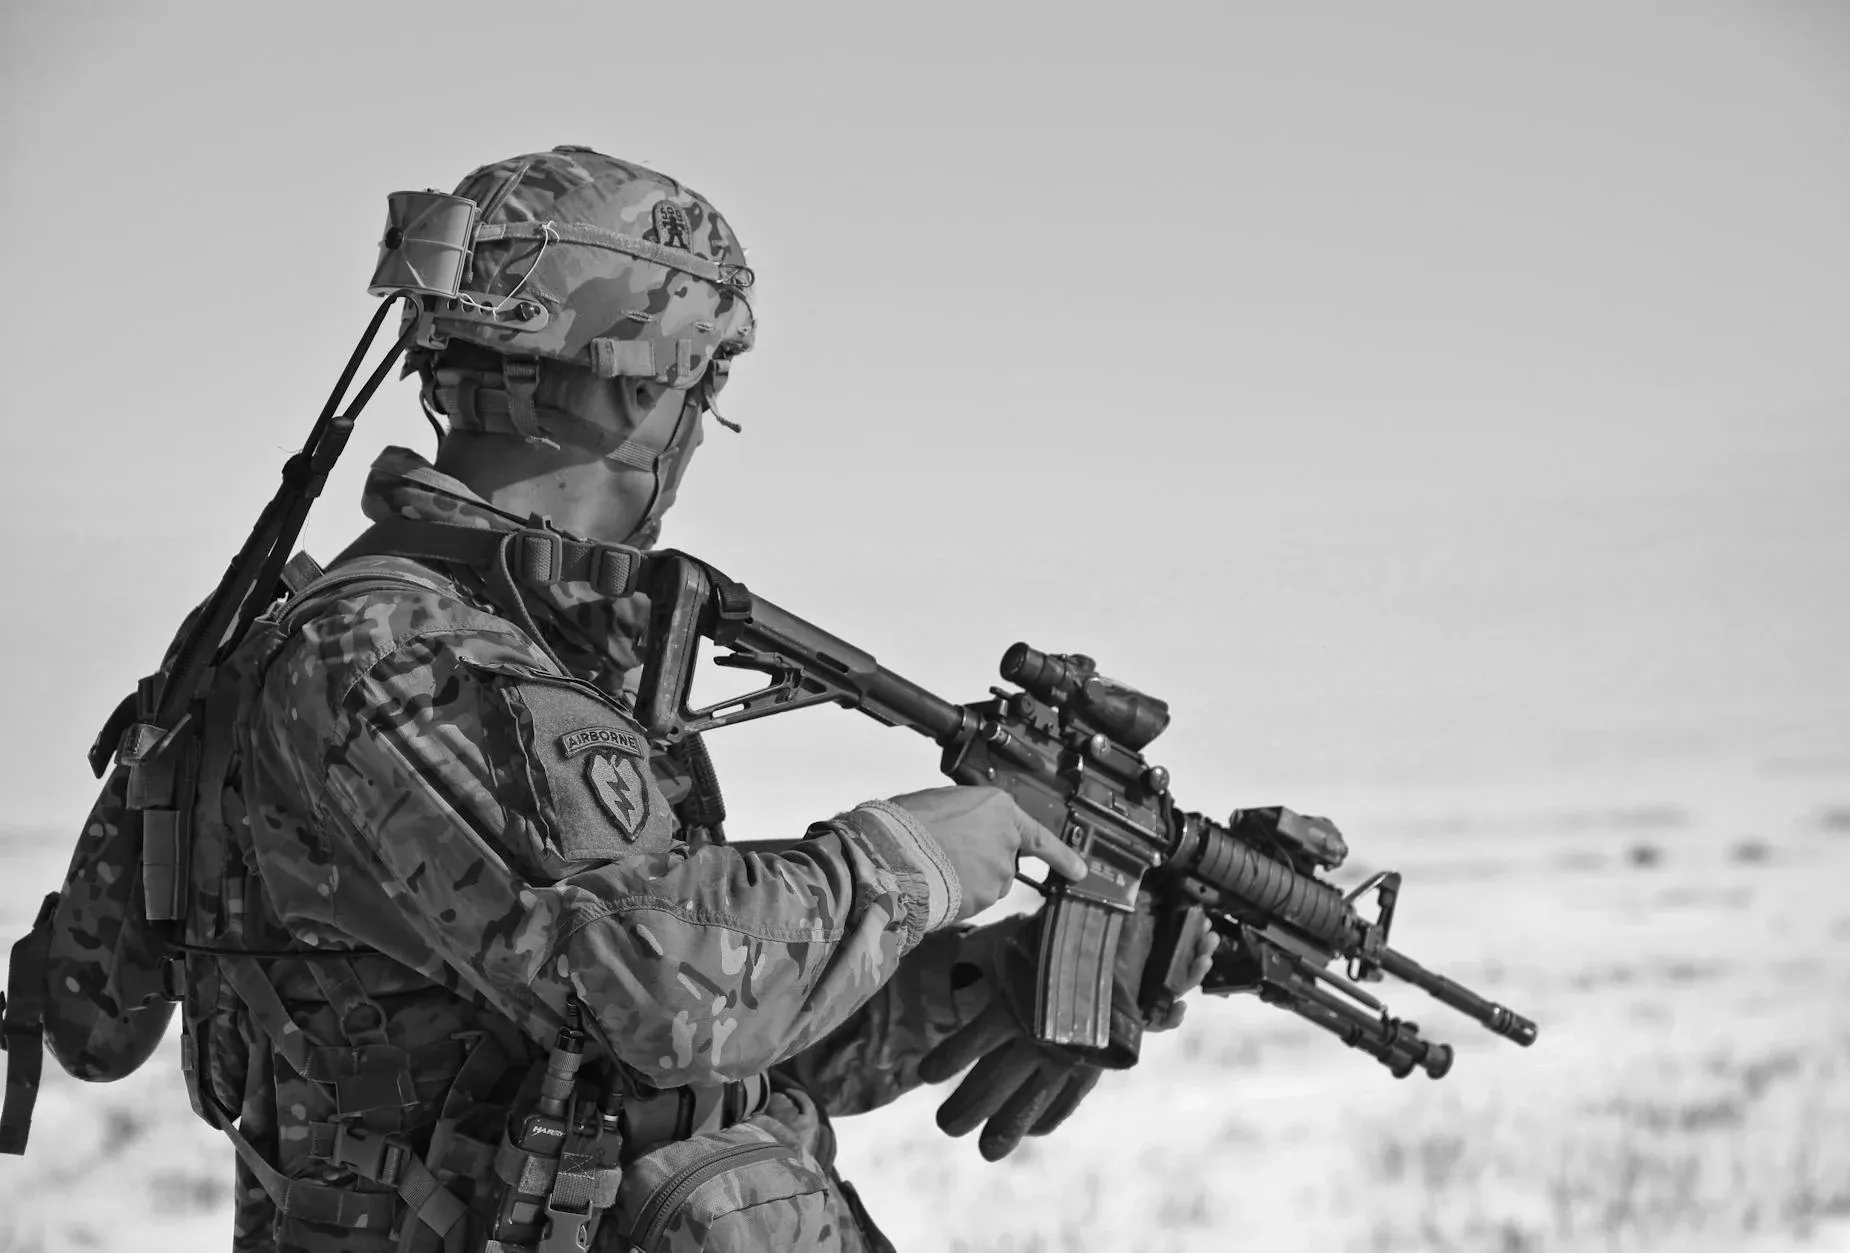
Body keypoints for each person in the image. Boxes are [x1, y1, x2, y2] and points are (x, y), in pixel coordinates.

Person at [160, 146, 1208, 1253]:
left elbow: (687, 1056)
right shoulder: (387, 647)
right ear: (630, 385)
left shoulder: (525, 644)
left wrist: (993, 978)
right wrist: (909, 860)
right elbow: (657, 984)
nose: (698, 429)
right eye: (699, 386)